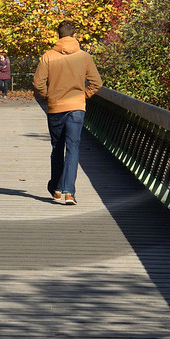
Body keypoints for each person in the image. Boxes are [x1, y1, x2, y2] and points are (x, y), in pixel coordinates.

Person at [32, 21, 102, 205]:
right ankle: (69, 193)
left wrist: (48, 97)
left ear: (58, 35)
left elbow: (38, 83)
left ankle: (56, 188)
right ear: (74, 35)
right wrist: (83, 96)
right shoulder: (84, 57)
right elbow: (97, 82)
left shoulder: (48, 56)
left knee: (57, 147)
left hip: (56, 107)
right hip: (76, 107)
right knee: (73, 148)